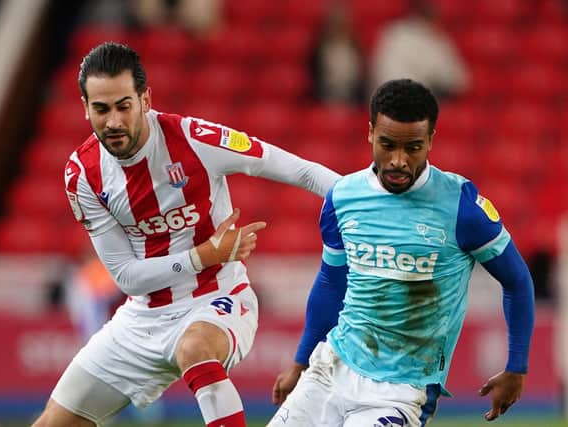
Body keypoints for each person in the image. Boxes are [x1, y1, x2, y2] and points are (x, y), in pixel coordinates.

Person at [31, 42, 340, 427]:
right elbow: (126, 276)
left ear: (145, 99)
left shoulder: (194, 138)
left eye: (123, 106)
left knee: (194, 346)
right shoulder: (82, 175)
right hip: (142, 318)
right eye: (101, 109)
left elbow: (300, 171)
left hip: (219, 299)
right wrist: (204, 255)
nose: (112, 121)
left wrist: (370, 203)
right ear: (85, 108)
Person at [268, 79, 535, 426]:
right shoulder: (342, 197)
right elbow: (332, 283)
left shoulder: (462, 206)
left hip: (403, 388)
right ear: (370, 133)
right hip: (331, 367)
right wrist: (301, 361)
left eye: (413, 148)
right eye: (387, 144)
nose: (398, 160)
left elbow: (517, 280)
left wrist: (517, 367)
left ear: (431, 141)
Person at [368, 1, 470, 100]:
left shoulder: (439, 38)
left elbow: (461, 82)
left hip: (435, 99)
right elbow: (388, 80)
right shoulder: (394, 34)